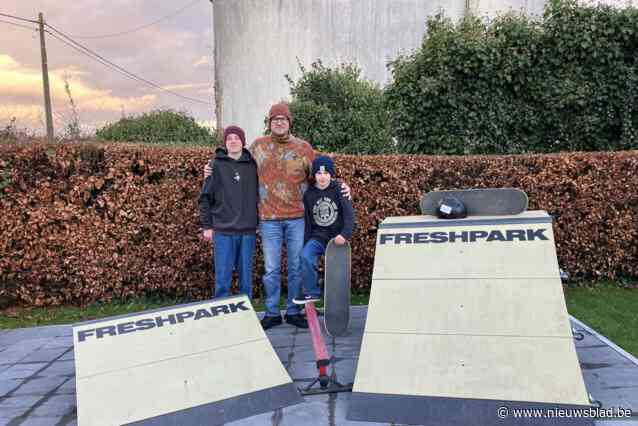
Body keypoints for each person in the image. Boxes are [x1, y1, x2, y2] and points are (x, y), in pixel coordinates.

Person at [204, 103, 351, 330]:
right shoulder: (258, 147)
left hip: (297, 218)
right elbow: (235, 158)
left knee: (295, 266)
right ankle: (272, 312)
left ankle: (293, 311)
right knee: (271, 269)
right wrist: (212, 167)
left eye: (283, 119)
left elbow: (321, 176)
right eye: (275, 119)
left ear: (289, 122)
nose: (279, 122)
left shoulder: (303, 148)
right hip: (268, 218)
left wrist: (341, 186)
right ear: (269, 123)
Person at [199, 125, 259, 300]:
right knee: (222, 280)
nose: (233, 141)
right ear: (225, 143)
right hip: (223, 231)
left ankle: (246, 319)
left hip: (247, 231)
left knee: (246, 281)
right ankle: (221, 318)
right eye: (229, 138)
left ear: (243, 141)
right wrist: (207, 226)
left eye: (236, 138)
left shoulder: (253, 165)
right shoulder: (215, 165)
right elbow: (204, 197)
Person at [293, 156, 355, 304]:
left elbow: (349, 214)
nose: (322, 177)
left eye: (326, 173)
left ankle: (337, 300)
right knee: (305, 256)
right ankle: (312, 292)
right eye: (319, 174)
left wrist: (345, 234)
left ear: (331, 174)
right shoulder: (309, 194)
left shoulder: (339, 189)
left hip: (336, 239)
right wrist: (307, 242)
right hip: (318, 238)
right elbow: (308, 222)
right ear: (314, 175)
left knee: (335, 272)